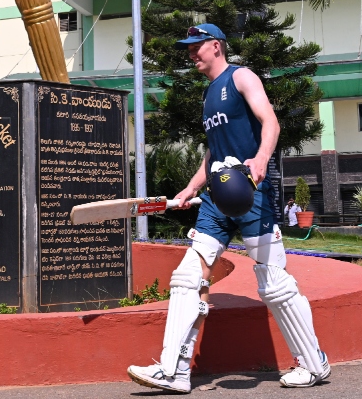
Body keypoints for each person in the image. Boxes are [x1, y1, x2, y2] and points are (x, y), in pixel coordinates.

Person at [127, 24, 330, 392]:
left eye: (196, 46)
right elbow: (213, 153)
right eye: (187, 47)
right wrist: (190, 188)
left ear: (216, 46)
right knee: (189, 276)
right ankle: (175, 371)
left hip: (250, 192)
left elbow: (270, 120)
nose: (191, 53)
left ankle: (314, 364)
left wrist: (261, 159)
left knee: (274, 282)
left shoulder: (241, 76)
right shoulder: (208, 95)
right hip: (217, 198)